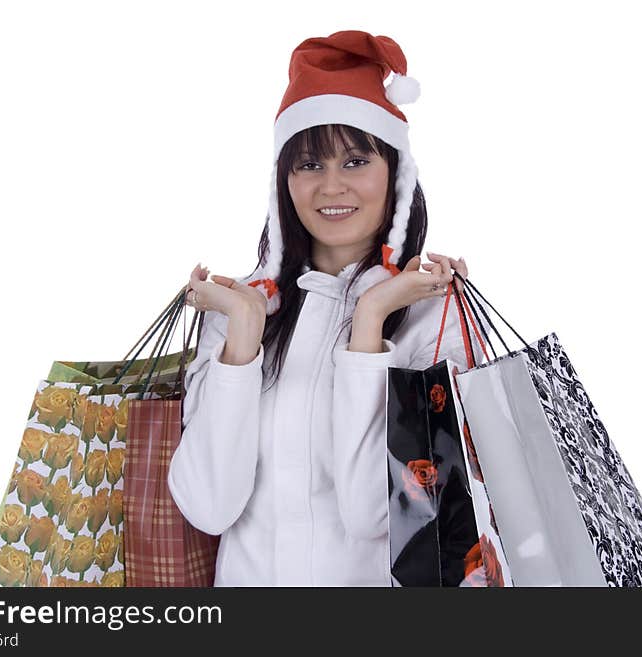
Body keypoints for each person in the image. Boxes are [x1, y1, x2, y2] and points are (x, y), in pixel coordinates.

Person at [168, 30, 480, 586]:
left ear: (397, 173)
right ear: (283, 182)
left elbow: (375, 514)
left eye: (356, 160)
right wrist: (241, 338)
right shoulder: (239, 308)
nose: (331, 186)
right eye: (308, 165)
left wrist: (370, 322)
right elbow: (209, 507)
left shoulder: (435, 319)